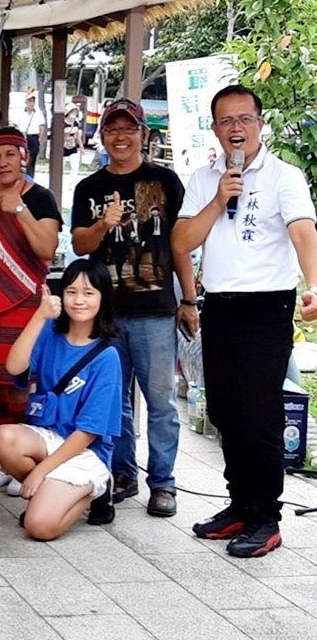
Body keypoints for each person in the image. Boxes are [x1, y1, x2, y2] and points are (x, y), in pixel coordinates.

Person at [173, 84, 317, 558]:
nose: (236, 129)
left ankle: (265, 517)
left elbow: (302, 231)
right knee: (225, 412)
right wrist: (218, 199)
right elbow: (182, 241)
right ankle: (239, 505)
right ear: (214, 129)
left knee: (259, 417)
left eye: (244, 119)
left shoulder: (284, 176)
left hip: (267, 307)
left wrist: (313, 284)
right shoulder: (204, 178)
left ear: (260, 122)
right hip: (222, 306)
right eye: (225, 121)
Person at [71, 98, 197, 517]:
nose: (121, 137)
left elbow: (180, 245)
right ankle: (122, 474)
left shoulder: (165, 182)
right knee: (114, 400)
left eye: (130, 129)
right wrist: (103, 224)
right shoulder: (87, 188)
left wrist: (190, 299)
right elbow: (79, 247)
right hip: (105, 313)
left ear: (144, 134)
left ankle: (163, 482)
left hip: (157, 309)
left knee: (160, 401)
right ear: (102, 136)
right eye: (112, 130)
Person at [0, 259, 122, 540]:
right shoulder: (50, 332)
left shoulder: (107, 357)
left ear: (102, 299)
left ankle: (95, 490)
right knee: (3, 437)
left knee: (39, 527)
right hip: (47, 435)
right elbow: (14, 367)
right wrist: (39, 316)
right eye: (71, 291)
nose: (78, 301)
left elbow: (88, 432)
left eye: (89, 293)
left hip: (85, 449)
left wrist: (40, 472)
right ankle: (52, 492)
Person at [0, 127, 62, 437]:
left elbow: (47, 248)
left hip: (28, 305)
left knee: (23, 382)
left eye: (10, 154)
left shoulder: (39, 197)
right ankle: (1, 452)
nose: (3, 162)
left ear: (23, 157)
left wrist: (20, 211)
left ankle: (23, 452)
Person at [19, 93, 46, 162]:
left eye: (33, 101)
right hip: (23, 136)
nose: (31, 103)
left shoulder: (38, 113)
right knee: (22, 157)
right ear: (26, 102)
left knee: (32, 158)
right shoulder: (20, 112)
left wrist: (39, 140)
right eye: (30, 101)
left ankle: (30, 172)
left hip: (34, 137)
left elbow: (42, 127)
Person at [63, 107, 84, 176]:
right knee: (61, 166)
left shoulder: (75, 123)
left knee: (75, 166)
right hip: (63, 146)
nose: (74, 114)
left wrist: (81, 146)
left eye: (75, 112)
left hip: (72, 145)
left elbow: (77, 135)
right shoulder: (62, 122)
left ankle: (72, 184)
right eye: (73, 112)